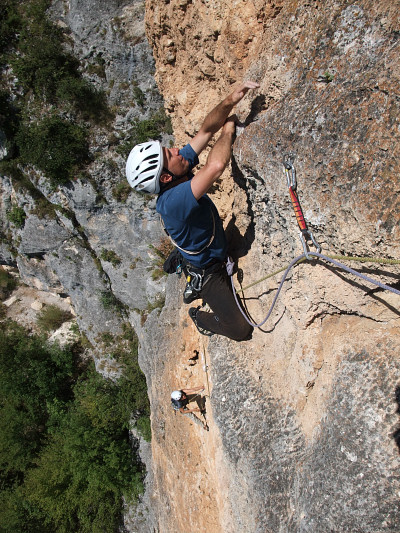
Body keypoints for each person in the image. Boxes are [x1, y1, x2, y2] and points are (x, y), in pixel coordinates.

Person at [126, 81, 260, 340]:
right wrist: (229, 130)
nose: (177, 151)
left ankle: (182, 257)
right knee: (240, 329)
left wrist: (229, 100)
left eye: (170, 149)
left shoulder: (176, 170)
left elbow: (205, 131)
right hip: (209, 271)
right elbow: (216, 165)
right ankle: (199, 317)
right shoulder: (173, 201)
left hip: (207, 247)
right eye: (171, 155)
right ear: (165, 178)